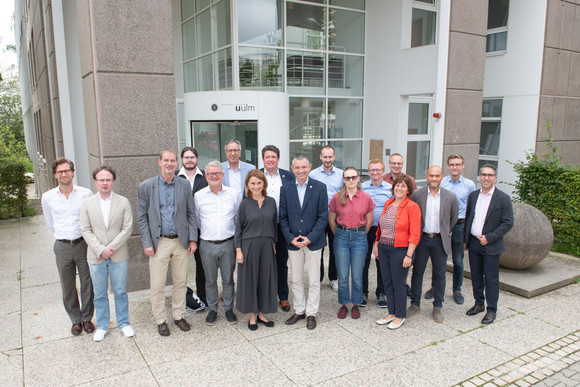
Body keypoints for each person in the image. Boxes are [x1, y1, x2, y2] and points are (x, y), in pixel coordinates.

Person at [137, 150, 198, 336]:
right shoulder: (146, 186)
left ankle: (179, 315)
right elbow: (142, 218)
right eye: (166, 160)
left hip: (180, 241)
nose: (169, 164)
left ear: (176, 163)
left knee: (181, 281)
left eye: (172, 161)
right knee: (157, 284)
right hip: (159, 242)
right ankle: (161, 320)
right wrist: (147, 242)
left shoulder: (184, 185)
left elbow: (190, 213)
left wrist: (193, 239)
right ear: (159, 162)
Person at [80, 165, 134, 341]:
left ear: (113, 181)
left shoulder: (123, 202)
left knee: (120, 291)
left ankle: (124, 323)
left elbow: (127, 228)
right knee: (100, 293)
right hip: (96, 256)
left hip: (118, 255)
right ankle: (102, 325)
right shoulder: (87, 203)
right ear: (95, 181)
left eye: (108, 179)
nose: (105, 183)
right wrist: (101, 249)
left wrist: (111, 247)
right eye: (101, 180)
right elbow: (85, 230)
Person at [41, 158, 94, 336]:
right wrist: (62, 237)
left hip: (82, 244)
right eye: (60, 172)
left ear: (73, 172)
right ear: (55, 175)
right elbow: (50, 222)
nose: (64, 174)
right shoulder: (48, 197)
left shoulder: (85, 194)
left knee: (87, 282)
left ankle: (87, 318)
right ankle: (75, 320)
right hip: (62, 245)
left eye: (67, 170)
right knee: (68, 285)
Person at [280, 155, 328, 330]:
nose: (300, 171)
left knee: (314, 280)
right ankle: (299, 310)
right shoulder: (285, 189)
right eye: (297, 168)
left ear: (309, 167)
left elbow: (323, 216)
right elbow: (283, 216)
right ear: (292, 169)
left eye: (303, 167)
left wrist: (310, 237)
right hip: (293, 242)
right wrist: (290, 237)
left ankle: (311, 313)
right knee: (296, 279)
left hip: (313, 242)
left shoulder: (320, 188)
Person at [408, 166, 458, 323]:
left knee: (439, 274)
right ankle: (415, 304)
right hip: (421, 240)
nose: (434, 179)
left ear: (442, 177)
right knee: (418, 272)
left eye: (437, 176)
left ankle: (438, 306)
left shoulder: (450, 197)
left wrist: (443, 232)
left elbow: (453, 219)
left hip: (439, 240)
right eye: (431, 176)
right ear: (426, 176)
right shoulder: (417, 195)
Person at [464, 164, 513, 325]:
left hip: (490, 245)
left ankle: (491, 309)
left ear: (495, 178)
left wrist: (490, 237)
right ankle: (479, 303)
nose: (486, 178)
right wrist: (466, 240)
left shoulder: (503, 198)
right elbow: (469, 217)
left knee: (491, 278)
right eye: (483, 175)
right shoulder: (473, 196)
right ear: (479, 177)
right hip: (474, 242)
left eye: (490, 175)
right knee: (476, 276)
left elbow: (508, 223)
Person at [424, 154, 476, 304]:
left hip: (460, 226)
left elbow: (471, 209)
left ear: (463, 166)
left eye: (458, 164)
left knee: (458, 260)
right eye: (452, 164)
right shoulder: (442, 182)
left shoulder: (469, 185)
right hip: (442, 226)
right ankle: (434, 287)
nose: (455, 167)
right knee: (438, 259)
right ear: (448, 166)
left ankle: (457, 289)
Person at [194, 161, 240, 326]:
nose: (214, 176)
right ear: (206, 176)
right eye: (211, 174)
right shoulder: (198, 196)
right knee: (210, 280)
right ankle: (213, 309)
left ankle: (228, 308)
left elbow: (237, 218)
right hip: (207, 244)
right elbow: (198, 220)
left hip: (228, 243)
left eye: (217, 173)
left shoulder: (233, 194)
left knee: (228, 279)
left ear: (222, 175)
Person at [373, 175, 421, 330]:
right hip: (384, 248)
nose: (399, 188)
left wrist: (409, 255)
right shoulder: (389, 203)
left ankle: (400, 315)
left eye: (403, 186)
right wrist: (376, 243)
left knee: (398, 284)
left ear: (408, 190)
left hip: (400, 251)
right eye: (397, 185)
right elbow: (381, 226)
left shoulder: (412, 207)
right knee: (387, 282)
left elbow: (415, 234)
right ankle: (391, 312)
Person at [329, 167, 374, 319]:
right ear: (343, 180)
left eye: (353, 177)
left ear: (358, 178)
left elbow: (369, 220)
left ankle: (355, 303)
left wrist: (359, 233)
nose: (350, 180)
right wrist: (341, 233)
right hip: (341, 237)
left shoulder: (366, 197)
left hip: (359, 237)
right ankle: (343, 304)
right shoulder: (337, 197)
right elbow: (332, 219)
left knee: (356, 274)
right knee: (342, 275)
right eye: (347, 178)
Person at [235, 170, 278, 330]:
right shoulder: (245, 204)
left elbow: (274, 226)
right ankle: (252, 315)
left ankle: (262, 313)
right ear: (247, 185)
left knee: (264, 279)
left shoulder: (271, 202)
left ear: (264, 184)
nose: (256, 186)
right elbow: (238, 228)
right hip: (249, 246)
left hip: (267, 246)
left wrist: (273, 244)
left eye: (259, 183)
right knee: (250, 280)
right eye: (252, 183)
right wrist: (238, 250)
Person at [260, 145, 295, 312]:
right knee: (264, 263)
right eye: (267, 157)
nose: (270, 159)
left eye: (273, 156)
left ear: (278, 159)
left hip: (282, 226)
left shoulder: (288, 176)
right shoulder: (257, 176)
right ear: (263, 159)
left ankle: (283, 296)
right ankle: (266, 296)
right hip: (263, 227)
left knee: (281, 262)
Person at [177, 146, 208, 306]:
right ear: (182, 159)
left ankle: (203, 296)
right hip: (179, 230)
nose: (189, 160)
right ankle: (181, 297)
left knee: (201, 264)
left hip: (199, 228)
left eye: (192, 157)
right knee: (178, 265)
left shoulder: (205, 177)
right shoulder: (175, 177)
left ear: (197, 159)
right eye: (186, 157)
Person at [309, 145, 343, 291]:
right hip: (319, 217)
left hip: (336, 217)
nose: (328, 159)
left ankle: (334, 278)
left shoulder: (341, 174)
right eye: (325, 157)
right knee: (318, 249)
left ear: (334, 157)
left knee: (335, 249)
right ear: (320, 157)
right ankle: (318, 277)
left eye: (330, 157)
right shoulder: (313, 175)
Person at [361, 159, 392, 308]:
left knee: (382, 262)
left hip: (384, 230)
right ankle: (363, 292)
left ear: (383, 171)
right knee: (363, 262)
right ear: (369, 172)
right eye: (372, 170)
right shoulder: (362, 187)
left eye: (378, 170)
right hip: (366, 229)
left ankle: (381, 292)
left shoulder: (390, 188)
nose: (375, 172)